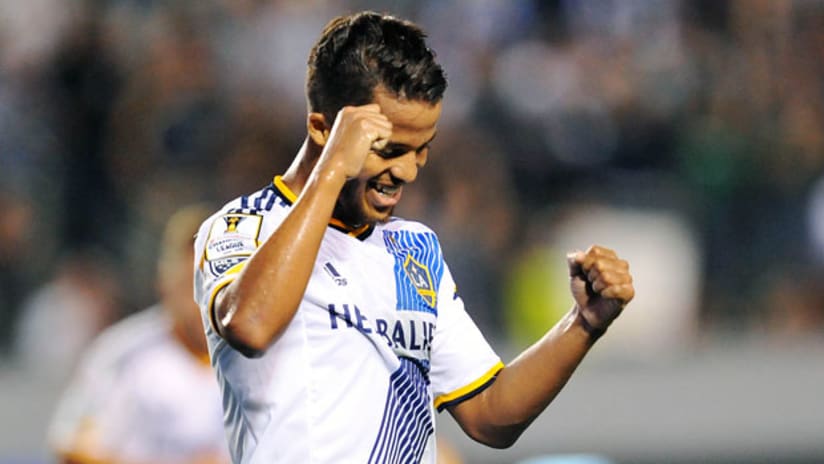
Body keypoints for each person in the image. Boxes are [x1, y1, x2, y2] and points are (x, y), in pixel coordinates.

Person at [193, 11, 635, 463]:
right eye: (388, 150)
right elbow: (249, 326)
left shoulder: (414, 249)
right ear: (323, 129)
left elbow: (489, 413)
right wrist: (331, 171)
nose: (407, 171)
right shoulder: (242, 227)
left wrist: (584, 323)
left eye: (421, 149)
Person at [49, 205, 230, 464]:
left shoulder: (257, 355)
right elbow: (73, 443)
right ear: (164, 282)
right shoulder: (125, 352)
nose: (199, 302)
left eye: (210, 286)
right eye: (189, 286)